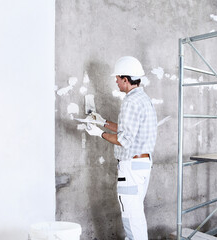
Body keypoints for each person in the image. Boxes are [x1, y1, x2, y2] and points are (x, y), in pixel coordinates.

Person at [85, 56, 157, 240]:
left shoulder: (130, 102)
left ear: (126, 79)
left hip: (131, 167)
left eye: (117, 78)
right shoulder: (142, 99)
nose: (116, 81)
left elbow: (124, 139)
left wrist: (98, 133)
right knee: (135, 214)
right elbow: (130, 129)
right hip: (142, 164)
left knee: (131, 218)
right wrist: (103, 122)